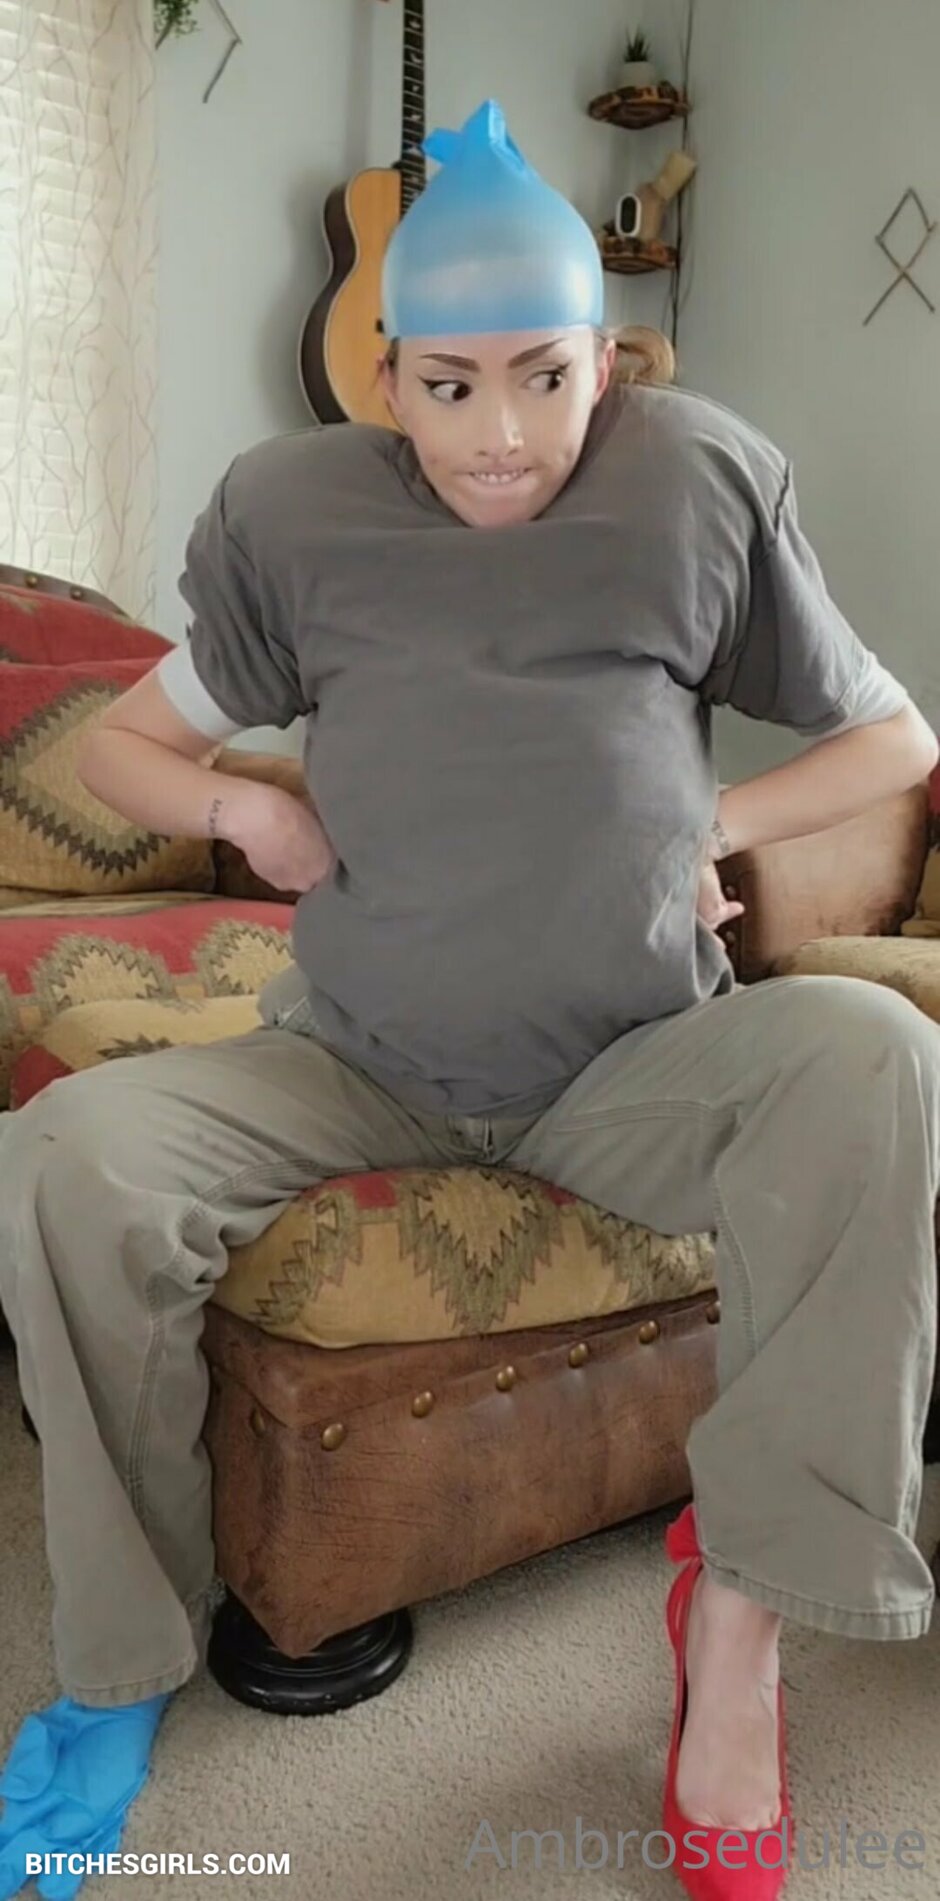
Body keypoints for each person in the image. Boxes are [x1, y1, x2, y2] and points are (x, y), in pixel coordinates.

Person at [0, 96, 938, 1901]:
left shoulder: (700, 482)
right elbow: (126, 744)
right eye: (450, 386)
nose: (500, 434)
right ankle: (119, 1666)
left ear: (609, 357)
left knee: (882, 1057)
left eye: (545, 378)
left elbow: (896, 738)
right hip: (355, 1057)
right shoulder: (292, 513)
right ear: (386, 380)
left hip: (635, 1061)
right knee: (62, 1162)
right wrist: (243, 809)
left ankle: (737, 1619)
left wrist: (715, 823)